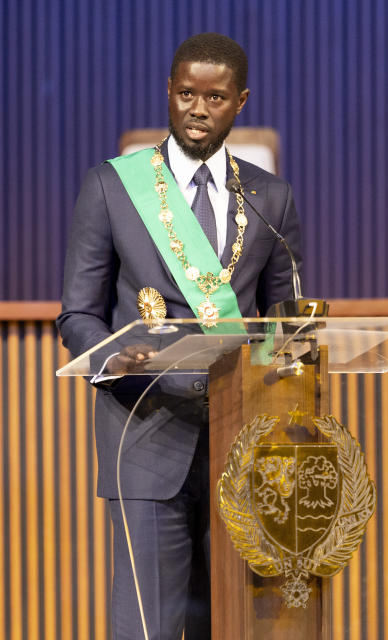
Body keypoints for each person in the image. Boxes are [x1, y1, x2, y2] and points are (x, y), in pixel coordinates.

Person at [57, 32, 302, 639]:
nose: (198, 108)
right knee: (148, 627)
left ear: (239, 102)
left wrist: (292, 351)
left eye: (214, 97)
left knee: (240, 622)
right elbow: (76, 316)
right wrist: (121, 356)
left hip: (243, 444)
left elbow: (285, 319)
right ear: (169, 93)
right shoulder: (112, 187)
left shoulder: (271, 197)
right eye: (186, 93)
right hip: (145, 433)